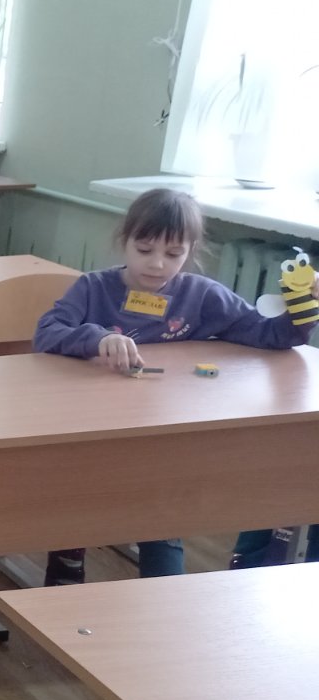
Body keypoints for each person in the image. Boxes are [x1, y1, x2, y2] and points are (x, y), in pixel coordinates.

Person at [33, 188, 318, 584]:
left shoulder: (201, 295)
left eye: (172, 254)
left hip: (163, 440)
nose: (156, 264)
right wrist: (97, 338)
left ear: (190, 251)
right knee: (80, 501)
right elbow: (47, 332)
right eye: (144, 249)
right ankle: (68, 557)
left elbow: (269, 334)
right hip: (93, 434)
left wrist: (303, 308)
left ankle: (165, 582)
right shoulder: (93, 288)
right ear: (125, 240)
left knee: (162, 514)